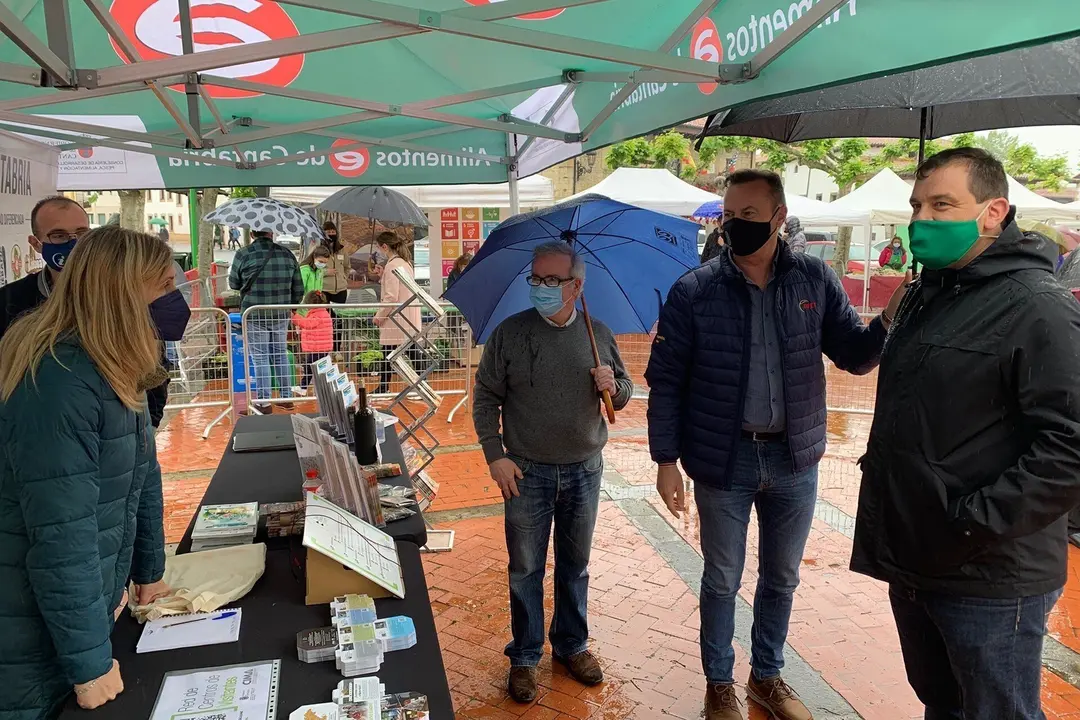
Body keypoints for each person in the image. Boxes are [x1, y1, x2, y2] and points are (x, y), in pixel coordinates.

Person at [646, 169, 907, 720]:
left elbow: (854, 356)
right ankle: (719, 684)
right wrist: (665, 461)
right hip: (723, 460)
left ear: (779, 217)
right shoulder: (695, 290)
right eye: (729, 215)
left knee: (782, 577)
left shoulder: (814, 279)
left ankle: (766, 675)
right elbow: (665, 380)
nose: (734, 225)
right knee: (722, 578)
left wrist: (887, 318)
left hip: (794, 460)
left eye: (748, 214)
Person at [850, 148, 1080, 720]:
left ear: (992, 212)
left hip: (991, 572)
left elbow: (1070, 444)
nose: (922, 219)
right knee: (944, 704)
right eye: (917, 206)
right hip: (919, 555)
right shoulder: (927, 294)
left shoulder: (1038, 307)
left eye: (942, 205)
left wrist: (973, 521)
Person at [0, 225, 174, 720]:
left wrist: (149, 571)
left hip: (74, 613)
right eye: (163, 287)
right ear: (123, 293)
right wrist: (89, 665)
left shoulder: (112, 362)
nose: (174, 299)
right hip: (31, 636)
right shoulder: (58, 380)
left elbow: (142, 474)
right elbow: (63, 539)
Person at [472, 241, 633, 704]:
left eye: (551, 280)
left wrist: (613, 386)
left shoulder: (597, 333)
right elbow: (485, 397)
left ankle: (571, 645)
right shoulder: (510, 333)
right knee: (525, 568)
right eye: (536, 279)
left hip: (585, 469)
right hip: (526, 472)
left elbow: (623, 393)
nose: (540, 287)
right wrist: (494, 454)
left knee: (574, 565)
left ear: (576, 286)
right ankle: (524, 655)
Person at [228, 229, 304, 414]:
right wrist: (291, 306)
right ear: (272, 233)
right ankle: (286, 398)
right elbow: (299, 288)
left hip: (254, 314)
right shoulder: (287, 254)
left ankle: (263, 403)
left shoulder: (243, 254)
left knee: (260, 358)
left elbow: (233, 283)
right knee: (280, 354)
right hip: (280, 314)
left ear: (252, 233)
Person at [0, 196, 89, 339]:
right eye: (59, 235)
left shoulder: (115, 291)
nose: (74, 243)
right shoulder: (9, 301)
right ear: (36, 244)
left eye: (82, 233)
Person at [371, 232, 423, 395]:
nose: (378, 251)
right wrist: (383, 276)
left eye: (378, 247)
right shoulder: (405, 263)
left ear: (385, 247)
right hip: (407, 316)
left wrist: (379, 316)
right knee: (409, 351)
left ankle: (385, 387)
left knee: (390, 352)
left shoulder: (392, 265)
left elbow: (391, 296)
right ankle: (421, 386)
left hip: (396, 317)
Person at [291, 290, 333, 396]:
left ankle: (303, 387)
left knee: (310, 367)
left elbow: (307, 324)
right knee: (316, 368)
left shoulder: (318, 315)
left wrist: (294, 317)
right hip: (320, 347)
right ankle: (313, 388)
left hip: (318, 348)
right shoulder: (322, 313)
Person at [321, 221, 352, 304]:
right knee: (324, 312)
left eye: (333, 232)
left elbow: (347, 266)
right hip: (324, 289)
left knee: (339, 312)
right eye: (328, 232)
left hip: (341, 290)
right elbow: (313, 269)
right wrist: (326, 272)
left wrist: (343, 278)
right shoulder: (318, 249)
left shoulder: (342, 250)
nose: (331, 234)